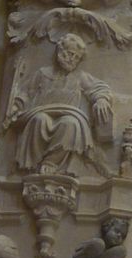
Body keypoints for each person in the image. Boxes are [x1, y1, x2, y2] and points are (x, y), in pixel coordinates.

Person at [8, 33, 112, 174]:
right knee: (39, 120)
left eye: (77, 57)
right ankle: (34, 164)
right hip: (43, 111)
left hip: (68, 114)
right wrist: (17, 105)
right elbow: (26, 92)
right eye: (70, 54)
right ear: (60, 51)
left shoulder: (80, 77)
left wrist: (101, 99)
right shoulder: (43, 74)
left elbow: (99, 88)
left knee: (70, 124)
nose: (72, 59)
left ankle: (52, 162)